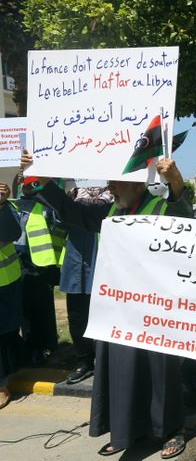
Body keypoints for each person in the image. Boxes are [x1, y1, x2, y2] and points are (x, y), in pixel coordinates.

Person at [21, 151, 191, 459]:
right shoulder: (110, 210)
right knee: (121, 370)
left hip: (155, 310)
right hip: (117, 309)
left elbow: (186, 219)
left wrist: (176, 183)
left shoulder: (158, 207)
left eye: (115, 181)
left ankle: (171, 430)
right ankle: (127, 431)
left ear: (136, 183)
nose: (109, 186)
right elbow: (71, 211)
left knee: (159, 371)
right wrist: (43, 181)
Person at [60, 187, 113, 385]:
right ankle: (84, 362)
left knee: (105, 317)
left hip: (103, 265)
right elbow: (57, 219)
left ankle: (105, 362)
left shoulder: (116, 197)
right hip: (75, 265)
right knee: (77, 318)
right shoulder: (72, 194)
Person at [13, 174, 64, 366]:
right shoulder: (13, 204)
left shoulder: (46, 205)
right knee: (26, 312)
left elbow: (59, 222)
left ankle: (51, 347)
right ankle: (32, 349)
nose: (28, 186)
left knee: (44, 310)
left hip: (42, 266)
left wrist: (44, 189)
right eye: (24, 182)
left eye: (32, 182)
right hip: (20, 265)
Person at [0, 182, 23, 409]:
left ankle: (2, 386)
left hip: (4, 279)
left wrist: (1, 205)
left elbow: (12, 232)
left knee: (4, 335)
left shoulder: (5, 205)